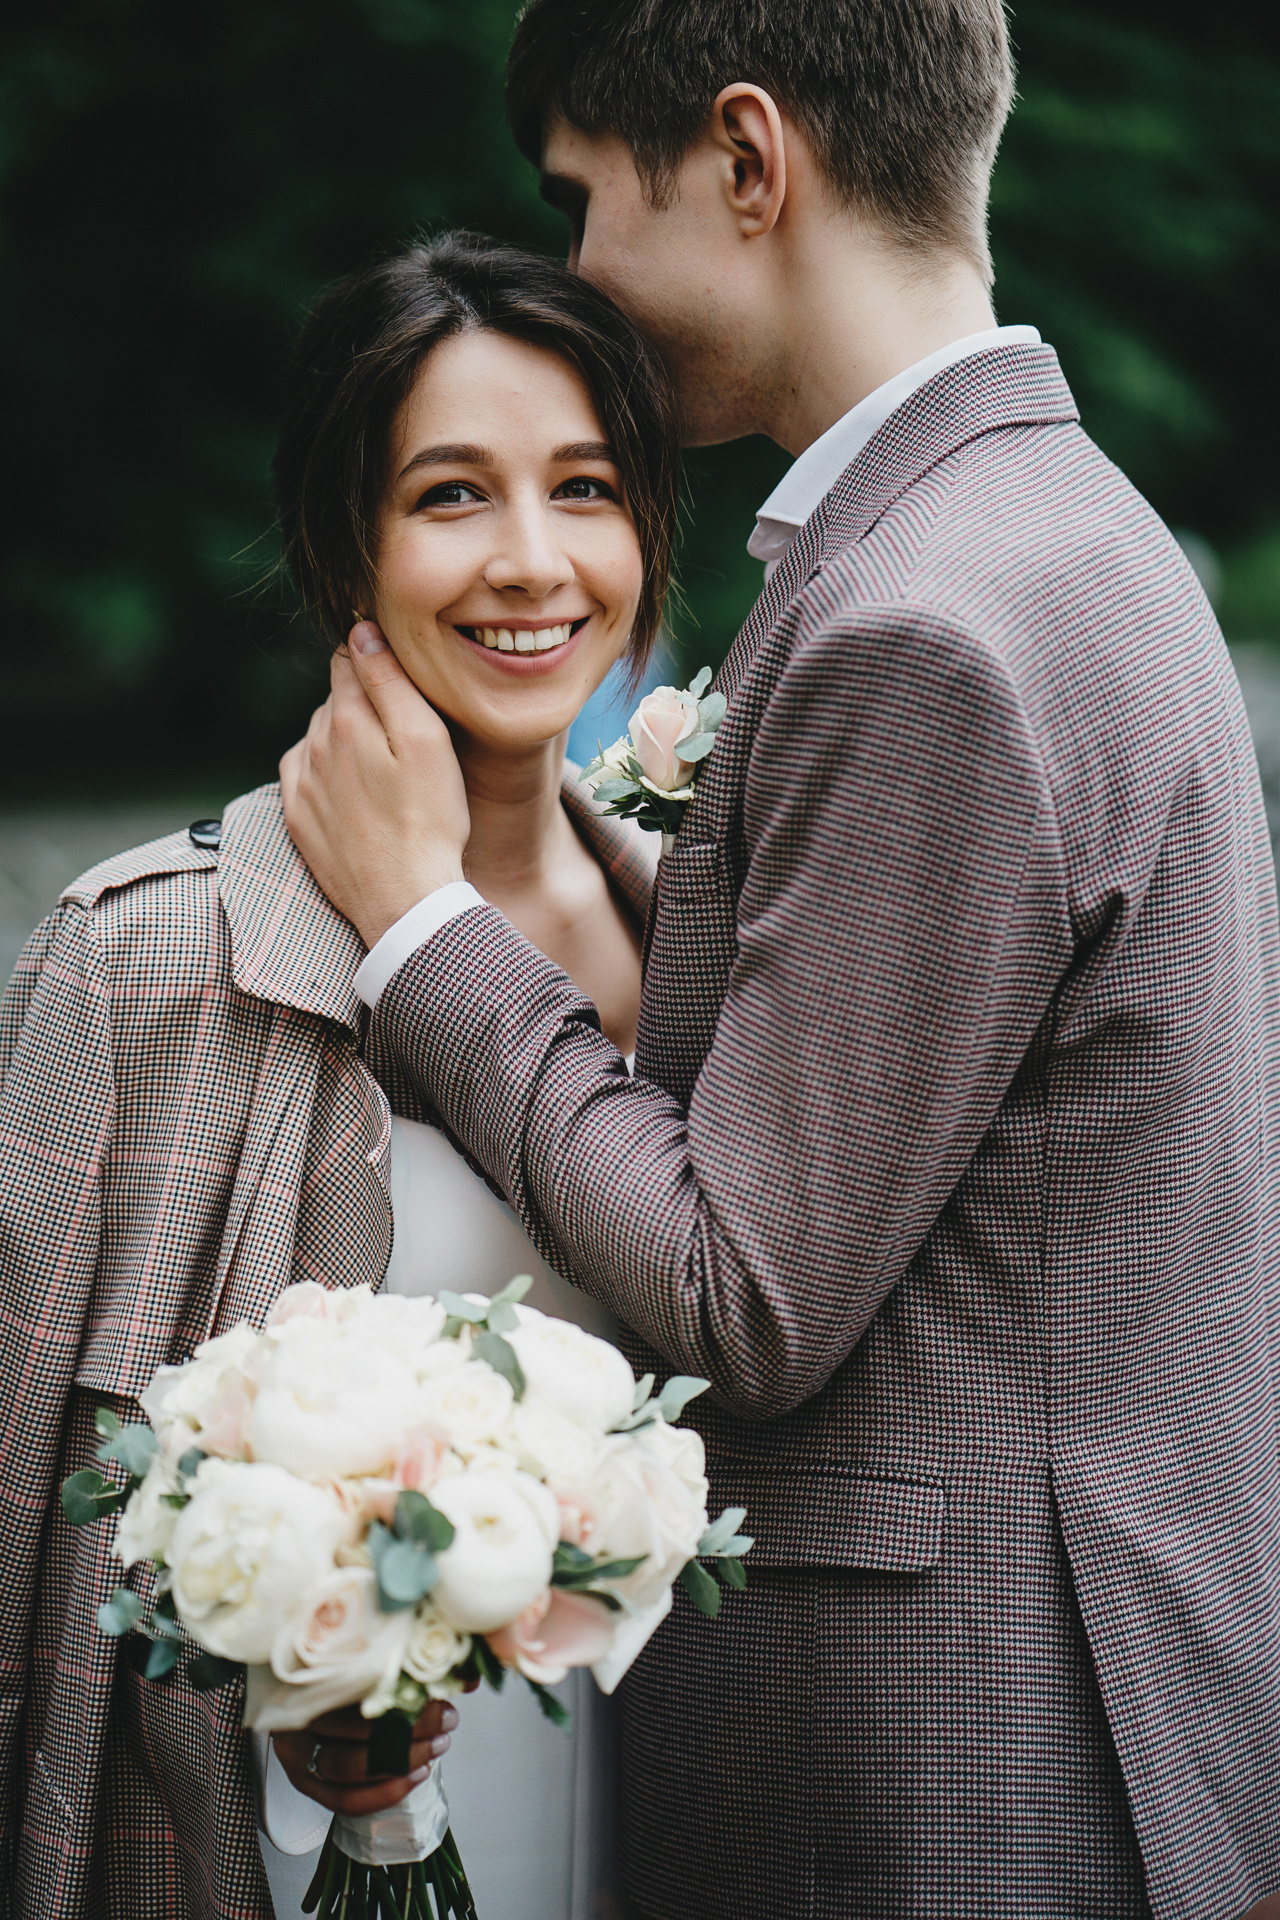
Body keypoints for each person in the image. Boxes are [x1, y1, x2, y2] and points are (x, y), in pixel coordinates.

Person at [279, 3, 1280, 1918]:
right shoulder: (1069, 530)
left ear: (748, 160)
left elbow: (744, 1290)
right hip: (1106, 1696)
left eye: (583, 198)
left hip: (934, 1778)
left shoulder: (925, 621)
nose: (575, 269)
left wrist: (422, 923)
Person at [0, 231, 677, 1917]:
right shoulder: (143, 958)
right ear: (341, 545)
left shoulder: (720, 944)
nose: (534, 562)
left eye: (585, 486)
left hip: (684, 1807)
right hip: (271, 1841)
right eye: (452, 496)